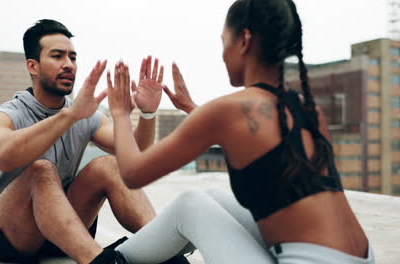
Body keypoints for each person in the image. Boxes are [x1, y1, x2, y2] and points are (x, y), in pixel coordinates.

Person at [105, 0, 375, 263]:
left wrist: (120, 113)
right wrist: (191, 108)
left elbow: (132, 174)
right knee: (212, 197)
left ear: (244, 40)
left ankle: (111, 262)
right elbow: (260, 143)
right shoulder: (306, 109)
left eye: (224, 42)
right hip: (361, 256)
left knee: (190, 205)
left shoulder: (229, 110)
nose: (222, 54)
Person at [0, 19, 188, 264]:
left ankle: (165, 251)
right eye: (57, 56)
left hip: (60, 231)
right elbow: (2, 154)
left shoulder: (85, 115)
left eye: (72, 57)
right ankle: (101, 262)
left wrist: (148, 114)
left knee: (108, 165)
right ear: (33, 66)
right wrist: (70, 115)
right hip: (7, 235)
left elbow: (135, 151)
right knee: (40, 169)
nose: (68, 65)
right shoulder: (6, 115)